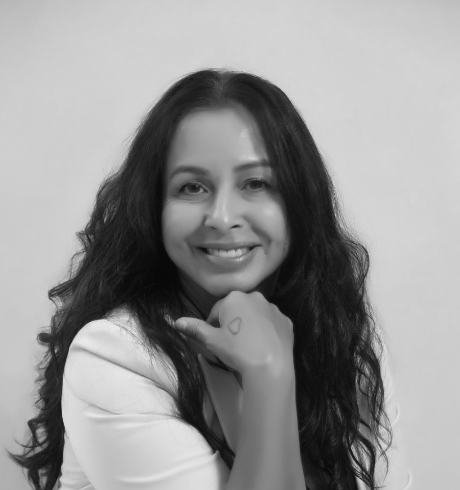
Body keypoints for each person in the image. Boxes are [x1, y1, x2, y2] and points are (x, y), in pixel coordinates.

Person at [9, 69, 411, 490]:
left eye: (255, 182)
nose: (221, 217)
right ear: (154, 206)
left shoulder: (344, 333)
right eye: (192, 187)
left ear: (300, 200)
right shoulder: (113, 356)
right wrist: (269, 374)